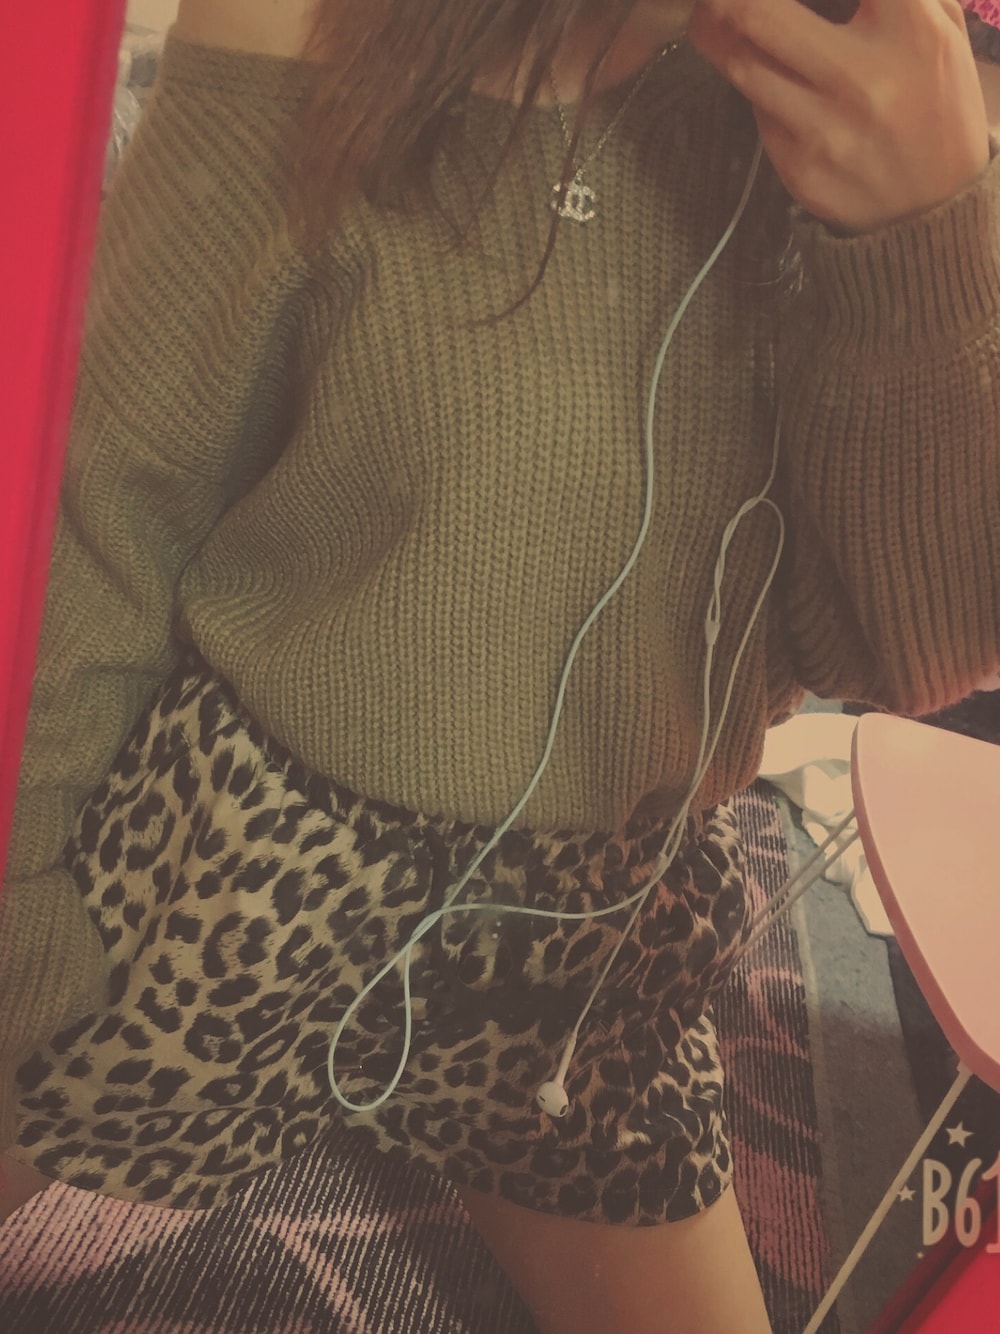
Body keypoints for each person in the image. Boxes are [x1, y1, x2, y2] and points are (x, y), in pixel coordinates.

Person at [1, 0, 998, 1330]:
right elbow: (110, 509)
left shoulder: (884, 93)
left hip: (592, 957)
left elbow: (910, 649)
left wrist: (923, 232)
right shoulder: (301, 26)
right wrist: (23, 906)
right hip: (243, 865)